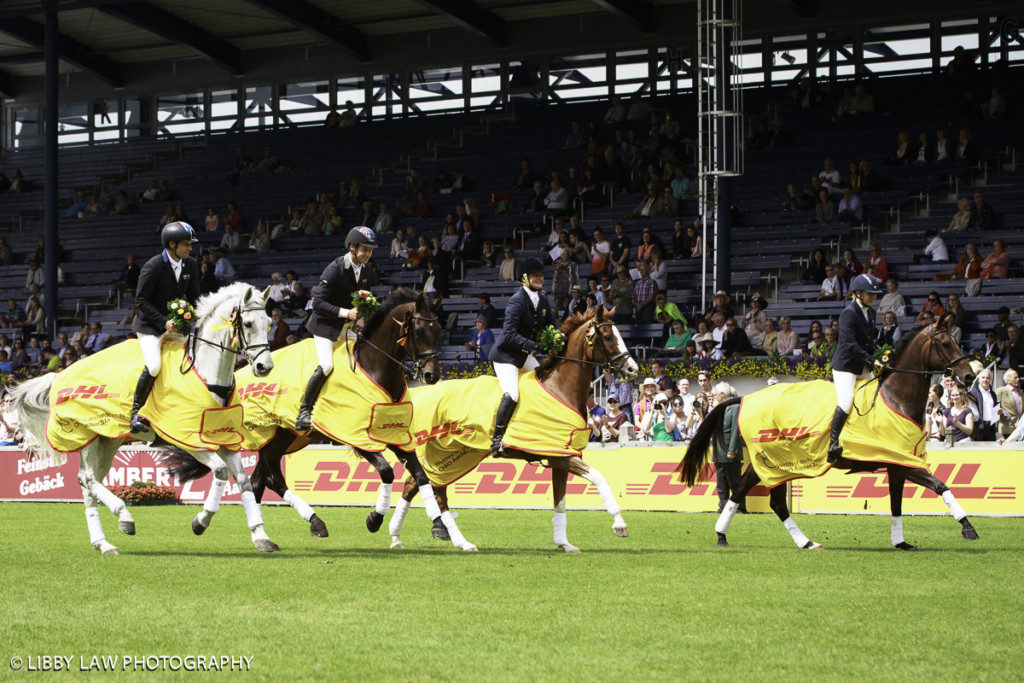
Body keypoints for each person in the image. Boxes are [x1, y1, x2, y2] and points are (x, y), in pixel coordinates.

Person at [295, 226, 378, 431]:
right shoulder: (335, 268)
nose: (367, 254)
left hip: (345, 325)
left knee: (362, 359)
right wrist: (346, 313)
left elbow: (363, 298)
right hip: (324, 326)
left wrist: (362, 317)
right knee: (327, 366)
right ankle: (303, 412)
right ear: (352, 247)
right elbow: (317, 304)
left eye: (370, 250)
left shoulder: (366, 270)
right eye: (364, 250)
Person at [129, 222, 201, 433]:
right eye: (186, 245)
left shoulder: (190, 264)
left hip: (176, 324)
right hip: (150, 325)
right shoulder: (153, 266)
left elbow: (195, 297)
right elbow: (141, 300)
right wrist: (163, 322)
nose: (190, 248)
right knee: (154, 366)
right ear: (172, 244)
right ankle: (136, 413)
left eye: (190, 245)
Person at [487, 257, 556, 457]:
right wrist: (535, 346)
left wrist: (561, 339)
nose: (540, 278)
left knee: (542, 383)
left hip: (523, 354)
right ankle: (497, 441)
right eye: (536, 275)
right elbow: (509, 334)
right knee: (513, 394)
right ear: (524, 278)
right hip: (505, 356)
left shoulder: (542, 299)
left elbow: (552, 325)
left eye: (541, 275)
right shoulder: (516, 301)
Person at [827, 273, 886, 462]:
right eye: (870, 294)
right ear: (858, 293)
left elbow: (869, 342)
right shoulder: (849, 314)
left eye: (875, 294)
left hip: (862, 363)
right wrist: (871, 361)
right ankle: (833, 443)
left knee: (874, 398)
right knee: (846, 402)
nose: (874, 297)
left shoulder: (871, 312)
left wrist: (880, 356)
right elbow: (850, 345)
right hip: (845, 366)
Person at [711, 382, 745, 513]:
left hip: (730, 450)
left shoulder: (735, 407)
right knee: (721, 482)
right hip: (718, 450)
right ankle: (723, 507)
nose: (714, 396)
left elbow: (736, 430)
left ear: (722, 394)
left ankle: (739, 507)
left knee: (735, 482)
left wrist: (733, 449)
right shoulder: (718, 407)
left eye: (716, 394)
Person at [968, 369, 999, 441]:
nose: (985, 380)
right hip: (979, 428)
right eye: (983, 377)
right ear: (979, 379)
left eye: (987, 378)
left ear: (990, 380)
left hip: (991, 428)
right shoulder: (973, 393)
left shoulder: (993, 394)